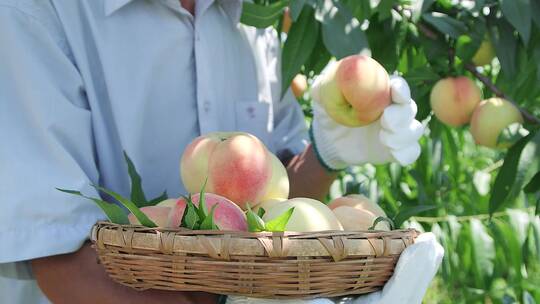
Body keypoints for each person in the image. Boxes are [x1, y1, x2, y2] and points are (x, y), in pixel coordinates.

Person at [0, 0, 438, 303]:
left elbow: (274, 207)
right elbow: (62, 264)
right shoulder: (36, 13)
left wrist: (324, 156)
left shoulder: (254, 21)